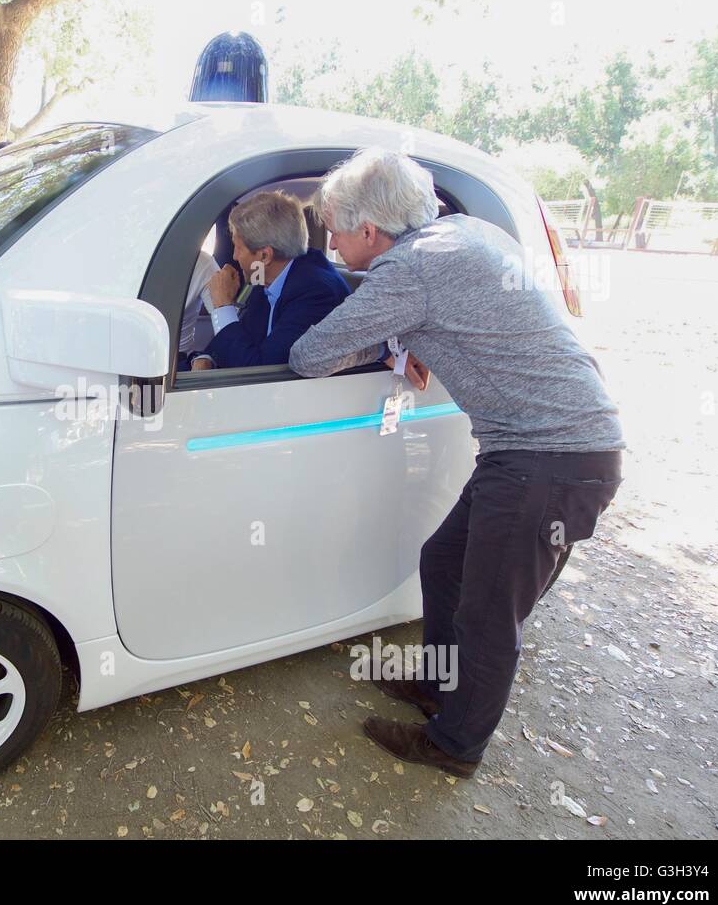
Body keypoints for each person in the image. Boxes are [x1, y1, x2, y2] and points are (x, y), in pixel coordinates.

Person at [288, 148, 624, 777]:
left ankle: (454, 745)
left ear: (369, 231)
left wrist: (388, 332)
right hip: (556, 450)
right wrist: (402, 337)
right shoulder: (462, 235)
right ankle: (438, 684)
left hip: (547, 459)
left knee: (488, 613)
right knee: (442, 561)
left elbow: (312, 355)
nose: (328, 246)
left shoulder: (409, 271)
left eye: (333, 230)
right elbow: (455, 315)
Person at [186, 190, 351, 371]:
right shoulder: (266, 277)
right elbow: (244, 338)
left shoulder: (316, 293)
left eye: (238, 248)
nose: (235, 256)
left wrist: (223, 307)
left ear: (264, 256)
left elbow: (259, 371)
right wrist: (206, 357)